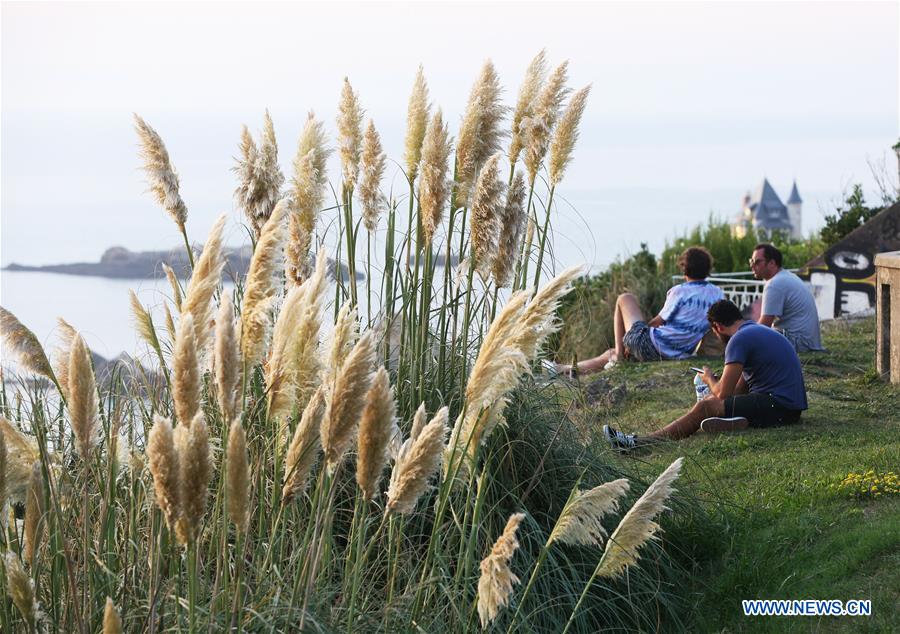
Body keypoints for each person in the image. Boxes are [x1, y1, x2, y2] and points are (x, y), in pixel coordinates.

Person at [603, 299, 808, 448]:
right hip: (789, 408)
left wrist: (709, 378)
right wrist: (716, 395)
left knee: (706, 406)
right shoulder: (756, 331)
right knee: (712, 403)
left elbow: (723, 394)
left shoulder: (739, 340)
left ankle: (639, 443)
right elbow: (741, 388)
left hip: (778, 406)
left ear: (717, 327)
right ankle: (736, 421)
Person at [555, 247, 724, 375]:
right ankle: (566, 370)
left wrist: (638, 335)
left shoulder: (680, 292)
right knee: (610, 354)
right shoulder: (717, 294)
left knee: (625, 298)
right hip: (677, 353)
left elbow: (658, 322)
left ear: (684, 269)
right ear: (708, 269)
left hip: (652, 346)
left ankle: (620, 357)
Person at [750, 243, 823, 352]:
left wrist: (743, 339)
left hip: (799, 343)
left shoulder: (774, 284)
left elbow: (764, 325)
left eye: (757, 262)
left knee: (750, 336)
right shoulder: (786, 276)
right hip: (808, 342)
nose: (752, 266)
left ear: (772, 263)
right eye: (751, 261)